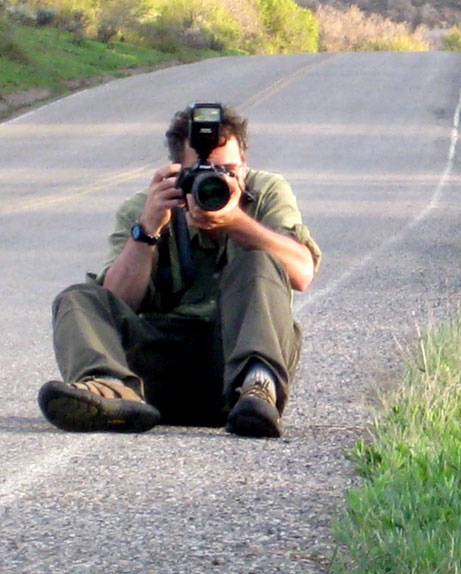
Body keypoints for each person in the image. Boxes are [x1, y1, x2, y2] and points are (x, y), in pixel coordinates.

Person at [37, 103, 320, 438]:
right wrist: (147, 230)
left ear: (244, 165)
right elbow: (115, 302)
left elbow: (301, 272)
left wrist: (236, 222)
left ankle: (258, 389)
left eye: (230, 169)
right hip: (155, 371)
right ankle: (111, 390)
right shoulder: (147, 206)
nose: (219, 181)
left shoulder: (267, 192)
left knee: (259, 260)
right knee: (78, 298)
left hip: (233, 365)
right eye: (202, 172)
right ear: (176, 173)